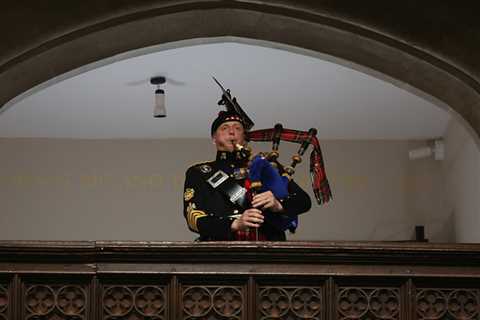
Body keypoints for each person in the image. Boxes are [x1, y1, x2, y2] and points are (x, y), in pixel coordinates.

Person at [183, 111, 311, 241]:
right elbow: (193, 218)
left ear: (244, 137)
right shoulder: (199, 172)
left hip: (269, 251)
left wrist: (278, 204)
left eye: (237, 128)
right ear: (214, 138)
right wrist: (235, 224)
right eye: (224, 128)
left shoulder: (264, 165)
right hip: (220, 252)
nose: (232, 132)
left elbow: (304, 201)